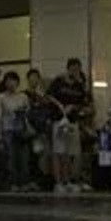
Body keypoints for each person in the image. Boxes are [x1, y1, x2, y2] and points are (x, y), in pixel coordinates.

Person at [48, 58, 92, 189]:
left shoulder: (79, 86)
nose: (75, 72)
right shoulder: (59, 81)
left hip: (73, 121)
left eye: (77, 70)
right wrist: (60, 106)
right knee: (59, 151)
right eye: (73, 69)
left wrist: (74, 107)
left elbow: (85, 103)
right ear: (68, 69)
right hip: (59, 120)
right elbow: (49, 96)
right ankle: (58, 181)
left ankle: (67, 180)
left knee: (70, 152)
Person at [0, 71, 34, 190]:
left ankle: (24, 182)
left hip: (22, 130)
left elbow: (28, 114)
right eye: (8, 80)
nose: (11, 83)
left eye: (14, 80)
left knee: (24, 157)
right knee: (10, 158)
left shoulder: (23, 97)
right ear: (5, 83)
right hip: (8, 130)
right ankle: (13, 183)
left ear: (18, 82)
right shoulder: (1, 97)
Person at [25, 69, 54, 187]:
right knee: (31, 155)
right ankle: (31, 179)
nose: (34, 80)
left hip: (42, 129)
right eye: (32, 77)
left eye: (36, 77)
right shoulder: (24, 95)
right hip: (30, 129)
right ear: (28, 79)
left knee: (43, 155)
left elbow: (48, 109)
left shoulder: (43, 95)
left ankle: (42, 179)